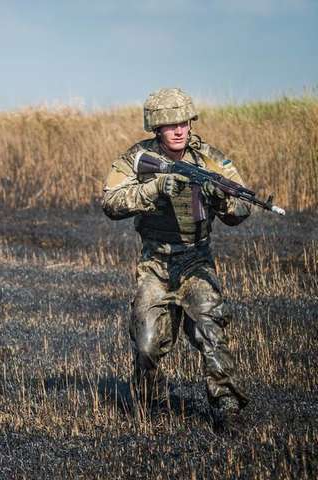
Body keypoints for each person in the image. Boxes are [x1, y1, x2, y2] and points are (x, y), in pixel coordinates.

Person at [102, 88, 251, 431]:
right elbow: (111, 202)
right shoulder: (136, 158)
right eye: (170, 125)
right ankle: (149, 401)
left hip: (196, 260)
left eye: (183, 123)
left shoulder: (210, 159)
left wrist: (221, 199)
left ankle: (226, 406)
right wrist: (154, 189)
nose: (179, 130)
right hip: (155, 264)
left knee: (211, 329)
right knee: (147, 343)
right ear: (156, 128)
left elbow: (242, 206)